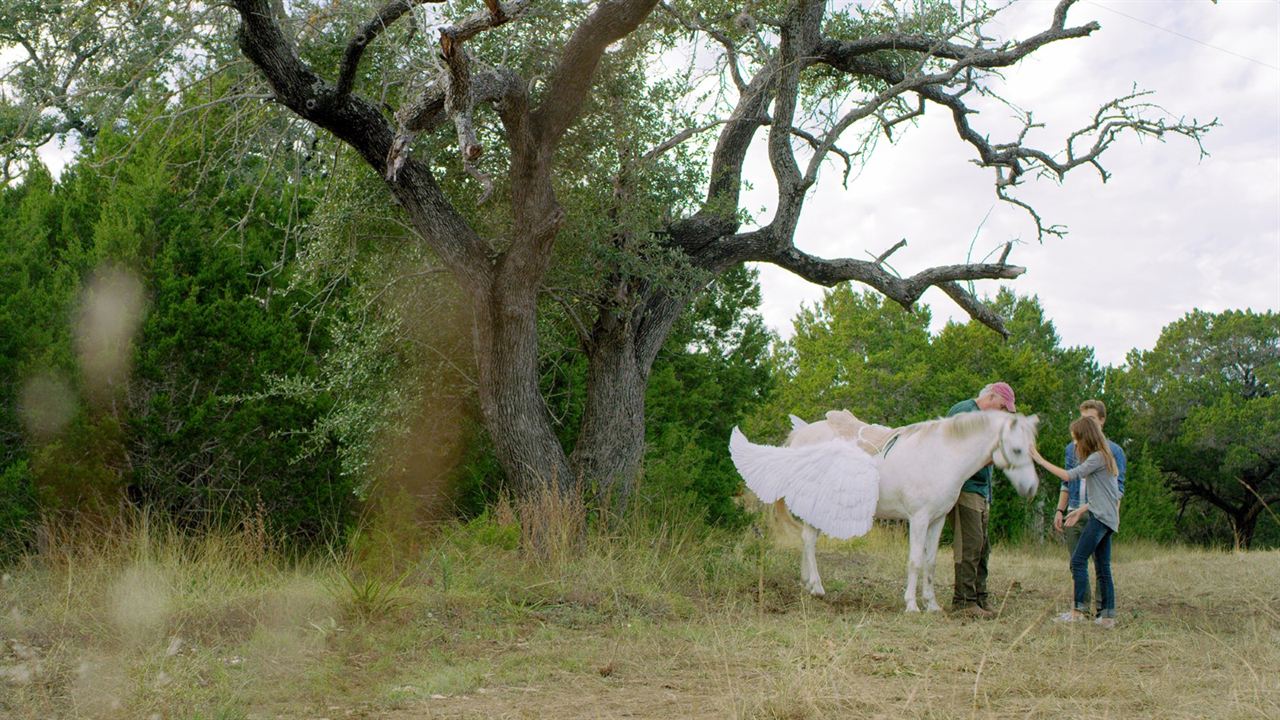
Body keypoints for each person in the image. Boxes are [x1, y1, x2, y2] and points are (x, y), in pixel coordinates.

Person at [1033, 416, 1122, 628]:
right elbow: (1106, 495)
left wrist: (1038, 458)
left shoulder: (1097, 458)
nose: (1074, 444)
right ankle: (1107, 616)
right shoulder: (1105, 457)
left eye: (1076, 440)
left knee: (1078, 561)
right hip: (1107, 518)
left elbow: (1069, 475)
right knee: (1102, 566)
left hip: (1100, 519)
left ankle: (1078, 611)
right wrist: (1081, 510)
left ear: (1086, 438)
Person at [946, 381, 1017, 619]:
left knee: (983, 546)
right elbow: (959, 454)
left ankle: (979, 597)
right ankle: (963, 601)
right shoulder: (964, 412)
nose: (1004, 413)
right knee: (970, 543)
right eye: (1003, 407)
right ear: (992, 397)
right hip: (964, 486)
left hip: (982, 488)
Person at [1059, 399, 1126, 617]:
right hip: (1076, 510)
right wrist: (1061, 510)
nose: (1087, 424)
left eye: (1091, 419)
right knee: (1077, 562)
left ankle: (1099, 610)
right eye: (1083, 419)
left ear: (1102, 421)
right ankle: (1085, 607)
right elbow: (1067, 484)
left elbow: (1117, 488)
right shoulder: (1073, 448)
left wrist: (1111, 515)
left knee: (1098, 565)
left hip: (1098, 513)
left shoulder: (1113, 451)